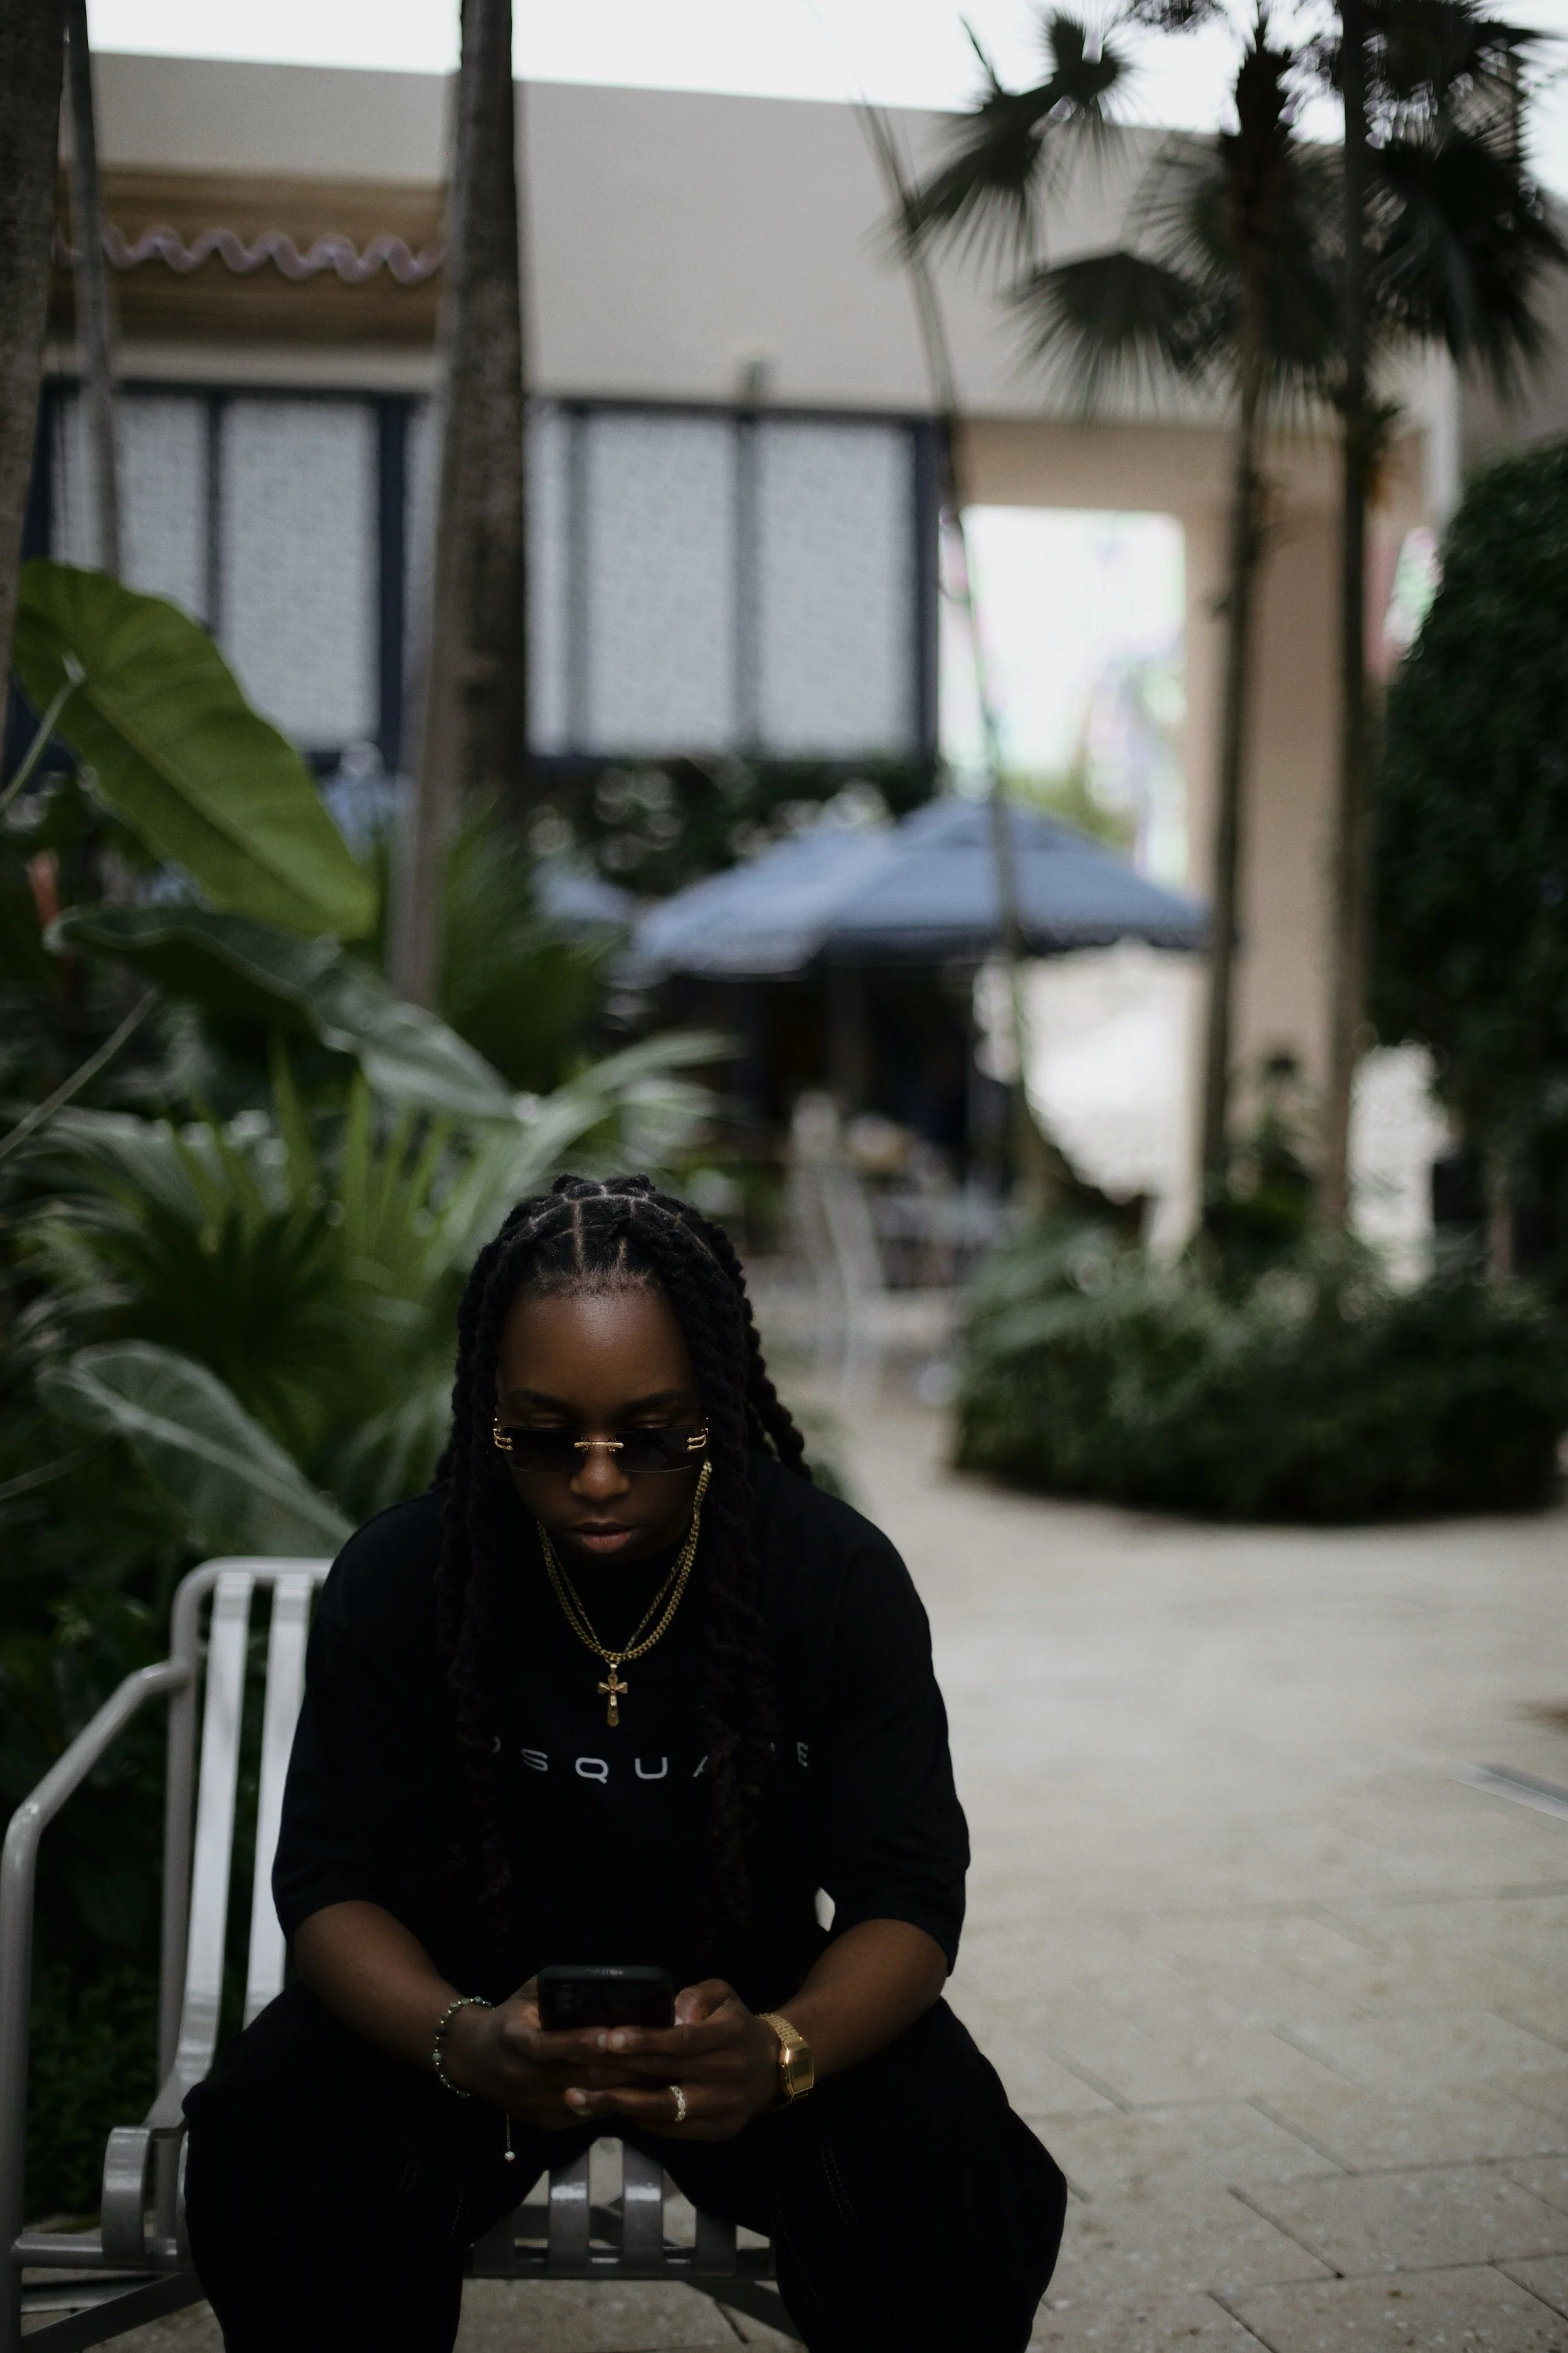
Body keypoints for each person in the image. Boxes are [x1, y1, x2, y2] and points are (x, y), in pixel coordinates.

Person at [183, 1174, 1066, 2352]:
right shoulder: (405, 1581)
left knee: (956, 2170)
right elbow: (330, 1885)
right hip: (467, 2001)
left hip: (755, 1998)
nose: (597, 1477)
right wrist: (464, 2039)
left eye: (655, 1436)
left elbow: (909, 1893)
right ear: (485, 1408)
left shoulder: (830, 1578)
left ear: (717, 1401)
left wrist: (781, 2050)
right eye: (542, 1436)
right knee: (275, 2140)